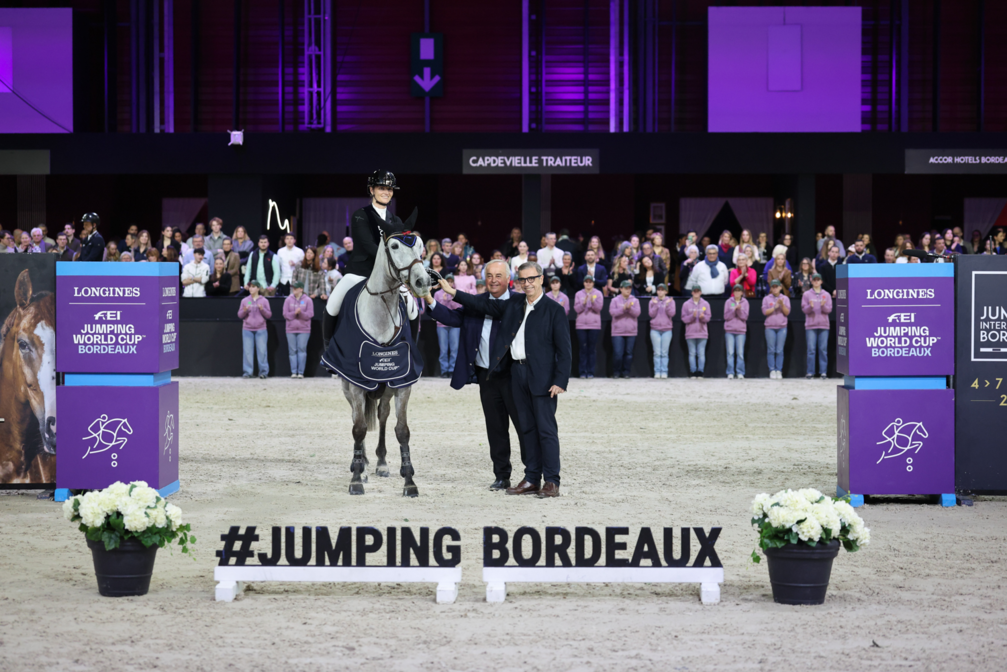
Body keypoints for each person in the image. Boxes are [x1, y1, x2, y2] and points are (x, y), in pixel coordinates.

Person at [440, 262, 572, 498]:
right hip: (517, 374)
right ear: (518, 282)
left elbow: (565, 350)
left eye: (532, 278)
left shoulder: (554, 310)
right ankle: (532, 478)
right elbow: (481, 303)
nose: (527, 283)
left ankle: (551, 481)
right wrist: (453, 293)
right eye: (523, 280)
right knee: (527, 429)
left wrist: (560, 380)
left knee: (546, 430)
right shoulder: (513, 303)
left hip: (542, 377)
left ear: (541, 279)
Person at [423, 258, 526, 490]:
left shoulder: (519, 302)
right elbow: (450, 318)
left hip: (514, 376)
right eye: (489, 275)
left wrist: (454, 292)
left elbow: (495, 310)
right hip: (486, 377)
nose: (493, 280)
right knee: (495, 429)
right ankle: (502, 475)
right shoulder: (475, 302)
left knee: (524, 427)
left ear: (508, 279)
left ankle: (532, 474)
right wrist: (428, 298)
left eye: (499, 276)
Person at [344, 170, 408, 278]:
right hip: (360, 272)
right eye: (381, 188)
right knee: (337, 295)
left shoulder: (396, 220)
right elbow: (368, 245)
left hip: (389, 274)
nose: (386, 193)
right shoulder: (360, 215)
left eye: (389, 189)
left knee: (408, 295)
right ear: (371, 190)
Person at [238, 280, 271, 378]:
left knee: (262, 351)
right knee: (247, 352)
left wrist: (262, 309)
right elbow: (240, 315)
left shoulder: (264, 301)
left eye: (253, 286)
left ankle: (263, 372)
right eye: (250, 287)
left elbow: (269, 315)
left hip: (261, 329)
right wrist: (244, 311)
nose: (251, 288)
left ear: (258, 288)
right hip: (247, 329)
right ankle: (248, 372)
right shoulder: (244, 300)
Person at [802, 273, 832, 380]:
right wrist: (810, 306)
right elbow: (804, 310)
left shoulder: (827, 295)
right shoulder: (806, 295)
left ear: (821, 281)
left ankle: (823, 372)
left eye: (818, 280)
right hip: (811, 325)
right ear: (812, 281)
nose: (816, 281)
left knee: (823, 350)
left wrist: (823, 305)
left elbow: (829, 310)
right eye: (814, 280)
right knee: (811, 349)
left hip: (824, 325)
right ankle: (810, 372)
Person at [574, 275, 603, 378]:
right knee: (582, 349)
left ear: (593, 283)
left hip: (594, 325)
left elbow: (599, 308)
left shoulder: (598, 294)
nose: (588, 283)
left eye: (590, 282)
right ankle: (582, 372)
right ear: (583, 283)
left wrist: (593, 301)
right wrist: (584, 302)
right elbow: (577, 309)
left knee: (591, 349)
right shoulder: (578, 294)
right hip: (581, 326)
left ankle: (590, 372)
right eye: (586, 282)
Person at [283, 281, 313, 378]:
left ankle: (300, 372)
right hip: (290, 329)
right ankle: (293, 372)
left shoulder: (308, 300)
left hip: (304, 329)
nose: (294, 290)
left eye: (296, 288)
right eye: (293, 288)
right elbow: (285, 314)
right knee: (292, 350)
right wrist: (295, 313)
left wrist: (301, 313)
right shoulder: (288, 300)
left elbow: (310, 315)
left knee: (302, 350)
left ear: (301, 289)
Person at [610, 280, 640, 379]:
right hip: (617, 331)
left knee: (629, 354)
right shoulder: (615, 300)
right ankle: (616, 372)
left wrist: (630, 308)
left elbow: (637, 313)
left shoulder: (635, 300)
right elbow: (612, 312)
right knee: (618, 353)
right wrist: (623, 308)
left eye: (629, 288)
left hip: (631, 331)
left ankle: (626, 372)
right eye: (626, 288)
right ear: (621, 289)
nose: (628, 290)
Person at [434, 275, 462, 378]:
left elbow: (458, 308)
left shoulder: (456, 294)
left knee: (454, 348)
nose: (449, 283)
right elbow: (437, 308)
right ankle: (444, 370)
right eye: (448, 281)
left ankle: (452, 369)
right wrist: (443, 300)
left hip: (454, 324)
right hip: (441, 325)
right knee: (443, 349)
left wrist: (450, 299)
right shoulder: (437, 294)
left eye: (451, 282)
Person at [681, 285, 711, 378]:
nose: (696, 293)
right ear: (692, 292)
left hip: (702, 333)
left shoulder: (706, 304)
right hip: (690, 333)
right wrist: (692, 316)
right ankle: (693, 371)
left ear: (701, 292)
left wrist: (703, 317)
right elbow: (684, 319)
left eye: (698, 291)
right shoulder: (686, 304)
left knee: (701, 353)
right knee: (692, 353)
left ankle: (700, 372)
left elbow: (708, 318)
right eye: (694, 291)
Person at [763, 279, 790, 379]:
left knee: (779, 350)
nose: (775, 288)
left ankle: (779, 370)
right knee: (771, 349)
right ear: (771, 288)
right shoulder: (766, 299)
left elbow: (787, 313)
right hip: (770, 327)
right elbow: (765, 312)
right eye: (773, 287)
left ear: (780, 287)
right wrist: (775, 307)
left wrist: (782, 305)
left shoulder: (785, 299)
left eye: (776, 286)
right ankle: (772, 370)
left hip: (782, 327)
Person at [648, 283, 676, 379]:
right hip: (655, 329)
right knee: (657, 352)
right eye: (658, 289)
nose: (660, 291)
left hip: (667, 330)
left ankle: (664, 371)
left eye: (662, 289)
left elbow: (672, 314)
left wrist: (667, 305)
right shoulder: (652, 301)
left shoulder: (670, 301)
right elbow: (651, 314)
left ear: (665, 291)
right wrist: (655, 305)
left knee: (664, 352)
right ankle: (657, 371)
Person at [724, 284, 750, 379]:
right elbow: (726, 317)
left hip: (741, 331)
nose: (737, 292)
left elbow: (744, 317)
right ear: (733, 292)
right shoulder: (728, 302)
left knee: (740, 353)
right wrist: (734, 310)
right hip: (729, 330)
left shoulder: (745, 303)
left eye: (739, 290)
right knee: (730, 352)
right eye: (735, 290)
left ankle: (740, 372)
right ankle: (730, 372)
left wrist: (739, 311)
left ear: (742, 292)